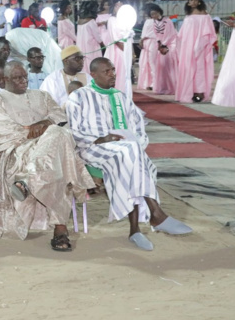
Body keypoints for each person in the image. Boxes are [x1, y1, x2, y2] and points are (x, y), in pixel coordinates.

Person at [67, 58, 193, 250]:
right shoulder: (79, 96)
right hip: (91, 148)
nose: (112, 74)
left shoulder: (121, 97)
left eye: (113, 70)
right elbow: (73, 130)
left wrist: (136, 143)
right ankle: (155, 215)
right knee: (132, 154)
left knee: (131, 155)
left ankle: (137, 230)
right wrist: (101, 139)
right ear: (93, 74)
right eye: (106, 71)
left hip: (123, 149)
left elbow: (138, 127)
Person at [0, 61, 92, 250]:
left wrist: (45, 123)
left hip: (49, 150)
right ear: (5, 79)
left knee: (58, 139)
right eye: (17, 78)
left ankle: (28, 180)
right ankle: (60, 228)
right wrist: (39, 131)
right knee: (58, 152)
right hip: (16, 151)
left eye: (25, 77)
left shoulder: (42, 96)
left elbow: (61, 117)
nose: (23, 81)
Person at [175, 0, 216, 103]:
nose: (193, 2)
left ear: (199, 2)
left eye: (195, 0)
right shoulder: (188, 15)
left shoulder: (205, 15)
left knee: (199, 68)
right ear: (188, 2)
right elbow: (182, 33)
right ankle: (189, 91)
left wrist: (200, 45)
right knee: (187, 67)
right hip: (187, 45)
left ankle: (199, 92)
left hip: (200, 45)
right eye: (191, 0)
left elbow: (208, 33)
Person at [138, 4, 178, 95]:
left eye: (155, 13)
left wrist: (163, 44)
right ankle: (158, 84)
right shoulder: (153, 21)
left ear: (159, 12)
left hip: (165, 45)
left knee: (161, 65)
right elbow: (155, 34)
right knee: (155, 65)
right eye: (152, 14)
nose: (153, 16)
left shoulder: (167, 21)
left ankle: (165, 85)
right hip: (157, 44)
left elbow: (170, 34)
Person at [104, 0, 134, 95]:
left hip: (125, 50)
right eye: (117, 6)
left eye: (121, 6)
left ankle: (125, 96)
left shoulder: (127, 21)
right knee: (118, 72)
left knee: (125, 74)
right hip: (117, 51)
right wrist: (126, 51)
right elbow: (116, 39)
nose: (119, 8)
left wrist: (131, 53)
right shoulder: (112, 20)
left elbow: (129, 38)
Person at [76, 2, 103, 74]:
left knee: (84, 66)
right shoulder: (91, 21)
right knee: (92, 65)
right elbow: (97, 37)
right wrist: (103, 44)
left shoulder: (79, 22)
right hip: (92, 48)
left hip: (81, 48)